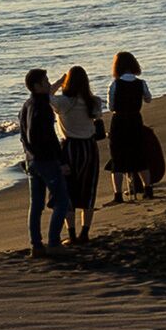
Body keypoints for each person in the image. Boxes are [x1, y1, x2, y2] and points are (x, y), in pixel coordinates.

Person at [106, 52, 165, 203]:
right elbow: (148, 98)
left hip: (119, 120)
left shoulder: (115, 84)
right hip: (135, 119)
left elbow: (111, 106)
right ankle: (148, 189)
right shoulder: (141, 83)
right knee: (139, 155)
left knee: (117, 158)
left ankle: (118, 195)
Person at [55, 65, 107, 239]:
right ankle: (85, 231)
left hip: (70, 147)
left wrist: (59, 82)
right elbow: (97, 117)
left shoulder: (63, 102)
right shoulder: (94, 101)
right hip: (89, 147)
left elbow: (43, 96)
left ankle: (71, 233)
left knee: (67, 190)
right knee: (88, 188)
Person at [20, 67, 66, 254]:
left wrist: (61, 81)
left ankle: (36, 245)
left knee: (36, 205)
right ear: (37, 86)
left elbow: (25, 136)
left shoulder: (28, 104)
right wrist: (60, 160)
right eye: (45, 81)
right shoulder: (42, 108)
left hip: (31, 160)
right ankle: (54, 242)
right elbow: (46, 136)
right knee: (62, 200)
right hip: (45, 160)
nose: (49, 84)